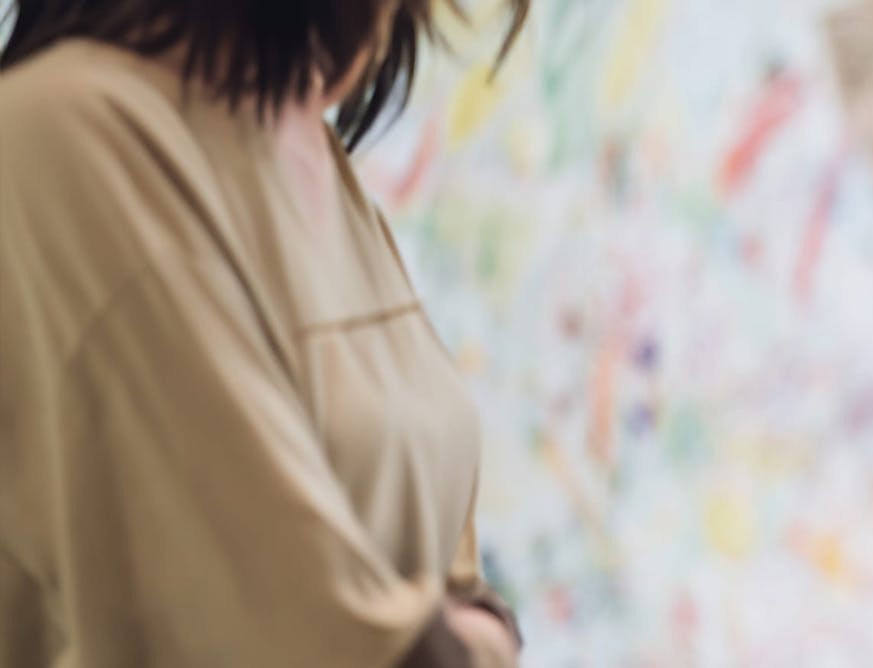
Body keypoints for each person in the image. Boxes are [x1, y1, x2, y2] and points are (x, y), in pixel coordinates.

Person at [0, 1, 528, 665]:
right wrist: (475, 640)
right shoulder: (64, 133)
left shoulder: (314, 153)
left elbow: (446, 594)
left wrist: (466, 631)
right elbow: (313, 642)